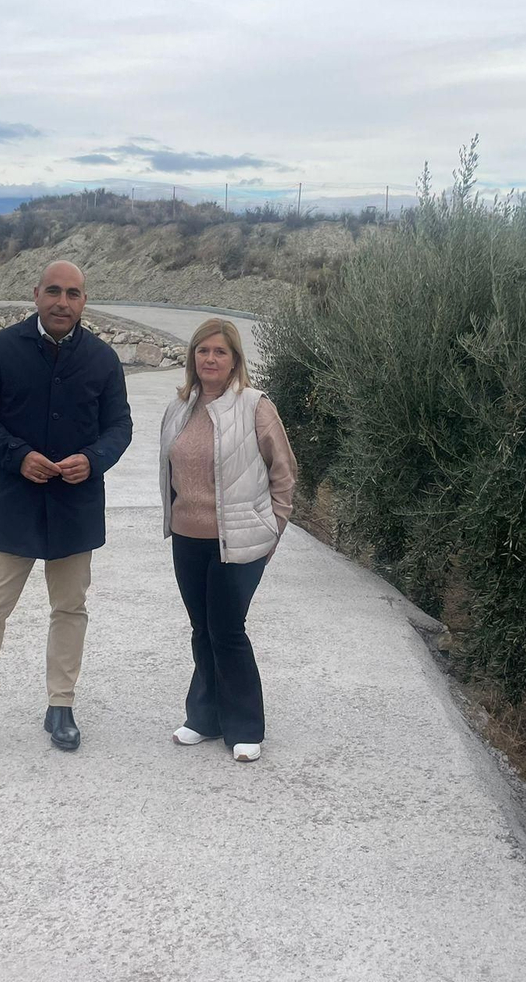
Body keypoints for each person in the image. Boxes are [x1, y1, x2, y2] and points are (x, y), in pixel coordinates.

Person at [0, 261, 133, 759]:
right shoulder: (2, 349)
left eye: (73, 294)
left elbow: (120, 427)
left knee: (70, 608)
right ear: (36, 294)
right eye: (53, 292)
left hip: (75, 507)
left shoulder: (104, 359)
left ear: (84, 301)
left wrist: (93, 459)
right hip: (12, 504)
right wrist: (17, 455)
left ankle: (60, 705)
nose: (62, 302)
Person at [158, 318, 296, 763]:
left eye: (220, 352)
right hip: (187, 536)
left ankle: (244, 726)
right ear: (192, 358)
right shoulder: (180, 408)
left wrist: (273, 526)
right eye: (202, 351)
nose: (210, 359)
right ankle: (205, 718)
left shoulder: (255, 405)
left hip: (239, 539)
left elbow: (284, 472)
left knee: (227, 629)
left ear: (235, 359)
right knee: (203, 629)